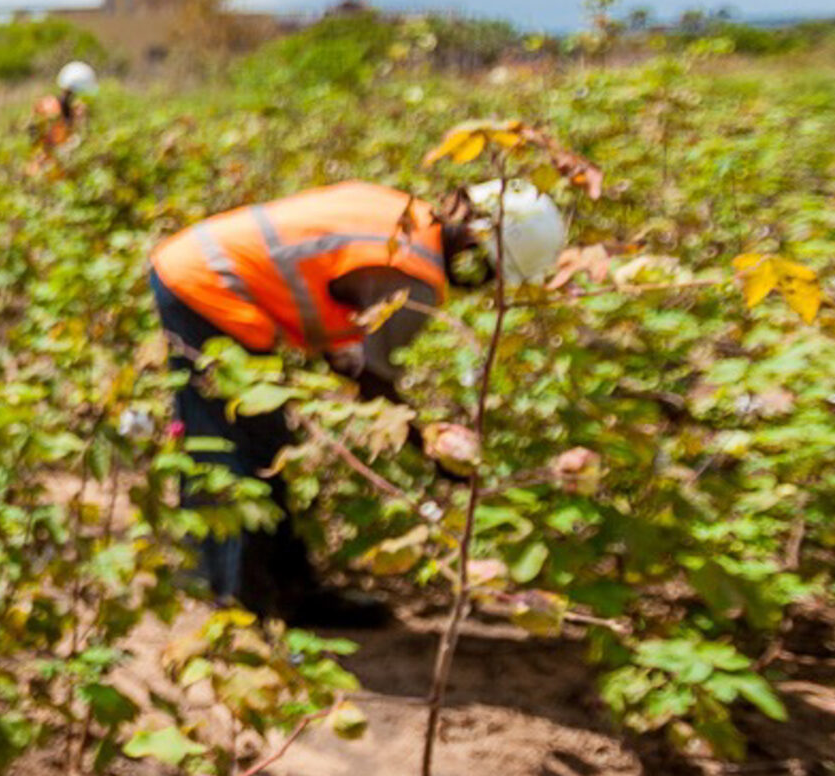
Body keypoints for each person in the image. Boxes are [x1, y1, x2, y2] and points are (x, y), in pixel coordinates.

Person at [146, 177, 565, 627]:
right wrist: (429, 445)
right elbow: (371, 380)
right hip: (208, 286)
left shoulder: (406, 215)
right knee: (233, 451)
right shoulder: (413, 280)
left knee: (263, 443)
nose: (481, 285)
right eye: (490, 272)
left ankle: (286, 593)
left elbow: (326, 295)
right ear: (478, 246)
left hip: (201, 265)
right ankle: (234, 610)